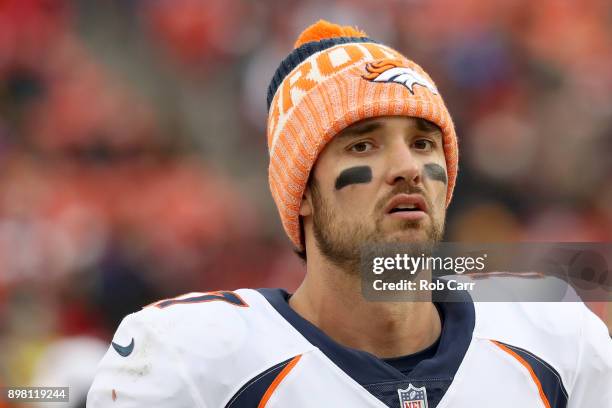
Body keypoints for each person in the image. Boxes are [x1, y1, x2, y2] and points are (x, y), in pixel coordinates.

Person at [87, 20, 611, 408]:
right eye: (363, 146)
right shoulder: (190, 360)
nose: (408, 167)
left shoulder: (554, 335)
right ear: (303, 193)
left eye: (424, 143)